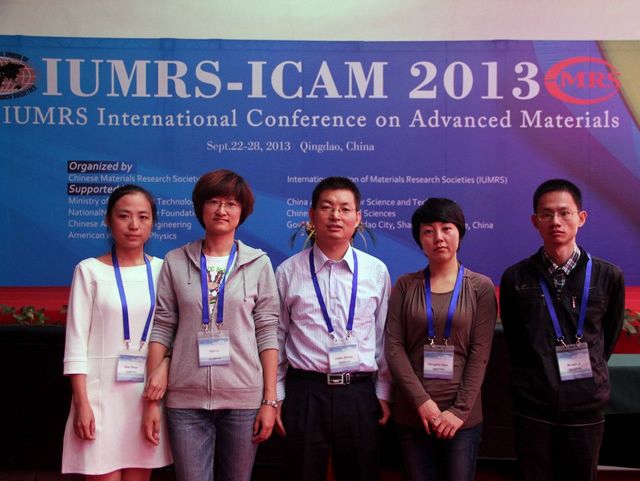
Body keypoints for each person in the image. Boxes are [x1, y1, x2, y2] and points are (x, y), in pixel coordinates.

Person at [143, 169, 279, 481]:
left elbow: (267, 331)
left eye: (231, 203)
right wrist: (153, 396)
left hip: (243, 398)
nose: (222, 210)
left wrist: (269, 400)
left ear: (242, 211)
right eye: (214, 201)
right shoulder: (176, 260)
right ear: (200, 207)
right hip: (185, 400)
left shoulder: (259, 263)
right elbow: (163, 325)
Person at [500, 179, 625, 481]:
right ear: (535, 221)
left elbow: (608, 336)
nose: (555, 221)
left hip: (586, 406)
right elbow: (515, 340)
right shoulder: (516, 278)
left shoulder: (608, 276)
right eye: (547, 214)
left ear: (581, 218)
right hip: (533, 407)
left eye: (564, 212)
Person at [274, 176, 392, 481]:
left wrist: (383, 392)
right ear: (312, 216)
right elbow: (277, 336)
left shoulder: (376, 272)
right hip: (305, 392)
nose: (335, 216)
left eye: (345, 209)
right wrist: (276, 395)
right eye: (327, 207)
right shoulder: (288, 272)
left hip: (358, 392)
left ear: (358, 218)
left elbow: (383, 337)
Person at [62, 185, 173, 479]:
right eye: (124, 216)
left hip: (146, 397)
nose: (134, 225)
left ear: (153, 223)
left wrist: (164, 368)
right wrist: (81, 403)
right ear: (108, 220)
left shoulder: (164, 271)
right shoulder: (89, 271)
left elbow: (176, 333)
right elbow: (76, 342)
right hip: (99, 398)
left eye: (143, 217)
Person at [384, 198, 497, 481]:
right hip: (413, 413)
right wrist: (422, 402)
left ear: (460, 232)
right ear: (419, 239)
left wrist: (459, 411)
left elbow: (480, 352)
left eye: (446, 228)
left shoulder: (480, 287)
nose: (438, 237)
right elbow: (394, 347)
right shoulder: (405, 286)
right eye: (428, 231)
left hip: (461, 418)